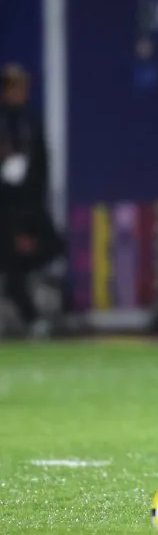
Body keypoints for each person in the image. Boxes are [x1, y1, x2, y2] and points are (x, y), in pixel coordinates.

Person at [0, 63, 63, 335]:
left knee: (55, 245)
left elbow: (41, 174)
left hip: (30, 212)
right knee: (11, 262)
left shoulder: (31, 124)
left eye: (23, 87)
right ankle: (31, 317)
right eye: (14, 87)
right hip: (4, 215)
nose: (20, 93)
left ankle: (57, 311)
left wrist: (29, 228)